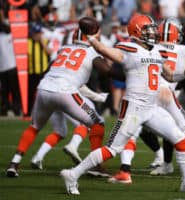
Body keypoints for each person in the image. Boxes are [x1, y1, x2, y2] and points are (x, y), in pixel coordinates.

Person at [60, 14, 185, 195]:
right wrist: (92, 39)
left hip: (151, 106)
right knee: (112, 149)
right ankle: (72, 174)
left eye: (153, 29)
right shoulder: (129, 48)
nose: (154, 32)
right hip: (133, 107)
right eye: (149, 29)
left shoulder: (156, 50)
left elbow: (169, 76)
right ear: (138, 31)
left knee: (179, 138)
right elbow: (108, 52)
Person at [107, 19, 185, 184]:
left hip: (148, 92)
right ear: (177, 35)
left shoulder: (151, 48)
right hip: (168, 94)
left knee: (131, 131)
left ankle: (125, 169)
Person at [6, 17, 108, 178]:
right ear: (92, 36)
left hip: (44, 89)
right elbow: (107, 71)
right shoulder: (92, 51)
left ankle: (14, 163)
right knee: (97, 122)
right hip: (65, 92)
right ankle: (96, 165)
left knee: (34, 127)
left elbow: (61, 73)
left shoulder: (64, 49)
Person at [0, 20, 22, 116]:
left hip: (13, 66)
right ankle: (4, 109)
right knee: (5, 91)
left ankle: (16, 109)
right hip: (2, 68)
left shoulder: (13, 36)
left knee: (14, 90)